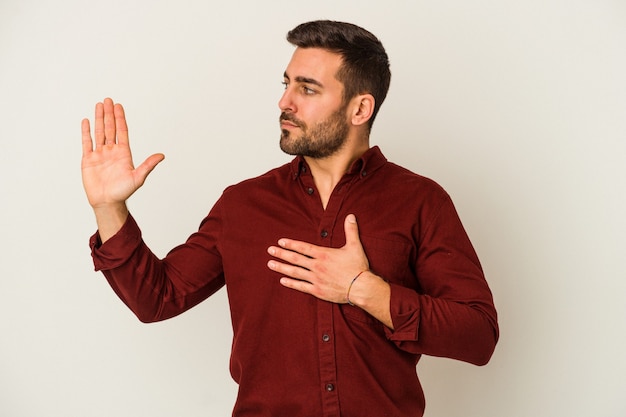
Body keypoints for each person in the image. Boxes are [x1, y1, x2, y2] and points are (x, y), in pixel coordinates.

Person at [81, 20, 498, 417]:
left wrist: (363, 289)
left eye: (308, 89)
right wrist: (108, 209)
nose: (285, 102)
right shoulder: (242, 205)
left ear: (360, 109)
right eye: (286, 84)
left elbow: (478, 336)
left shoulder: (421, 201)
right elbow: (157, 298)